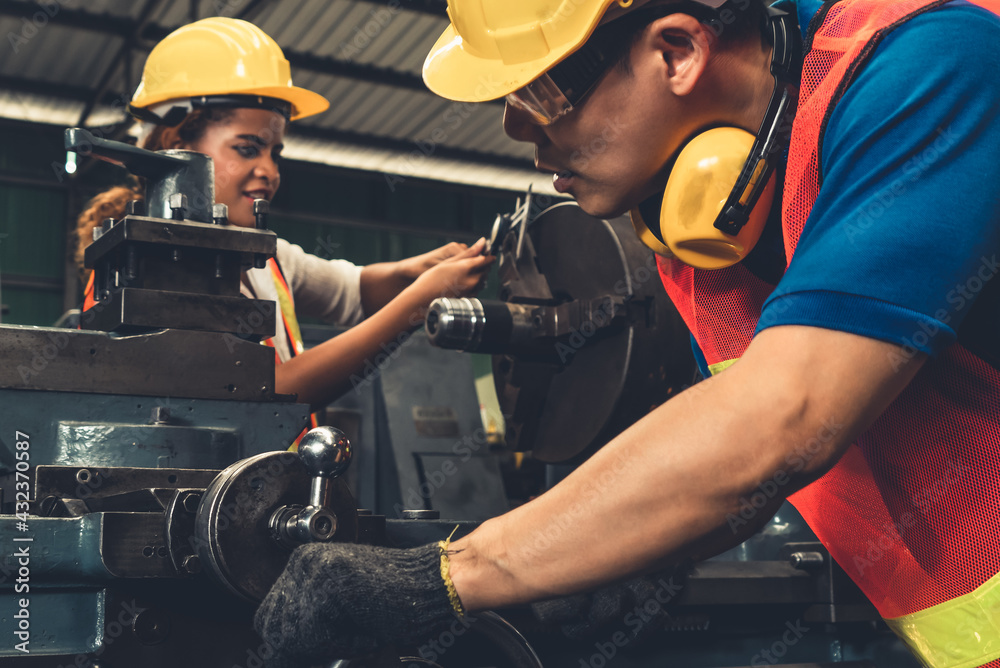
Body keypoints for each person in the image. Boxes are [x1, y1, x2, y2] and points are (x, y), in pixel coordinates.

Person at [255, 1, 1000, 667]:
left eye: (538, 91)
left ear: (676, 52)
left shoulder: (927, 63)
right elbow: (749, 443)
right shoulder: (693, 227)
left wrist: (455, 573)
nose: (517, 127)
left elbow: (787, 414)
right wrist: (637, 545)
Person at [76, 17, 493, 411]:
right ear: (175, 143)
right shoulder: (149, 268)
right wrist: (417, 303)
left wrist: (416, 272)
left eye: (275, 153)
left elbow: (354, 291)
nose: (270, 171)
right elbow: (264, 393)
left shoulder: (266, 258)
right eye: (247, 148)